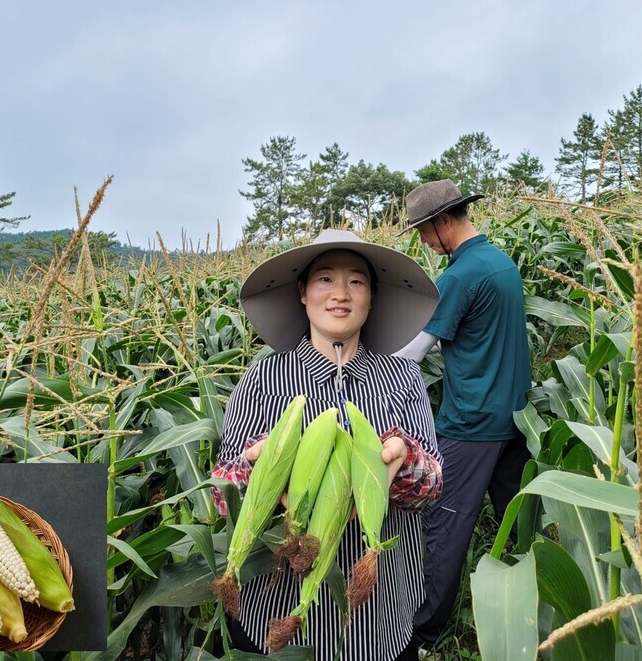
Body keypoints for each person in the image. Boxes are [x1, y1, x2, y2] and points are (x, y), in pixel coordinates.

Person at [212, 228, 443, 661]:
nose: (341, 293)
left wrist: (400, 460)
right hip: (275, 616)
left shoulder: (402, 378)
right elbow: (221, 493)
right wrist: (260, 468)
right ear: (302, 292)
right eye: (325, 279)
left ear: (372, 297)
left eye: (357, 281)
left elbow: (433, 485)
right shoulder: (262, 379)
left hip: (378, 616)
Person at [393, 179, 533, 653]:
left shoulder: (460, 275)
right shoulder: (500, 263)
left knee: (444, 527)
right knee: (518, 520)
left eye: (423, 231)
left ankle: (424, 633)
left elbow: (412, 352)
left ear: (443, 221)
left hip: (471, 423)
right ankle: (534, 603)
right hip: (514, 416)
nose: (423, 241)